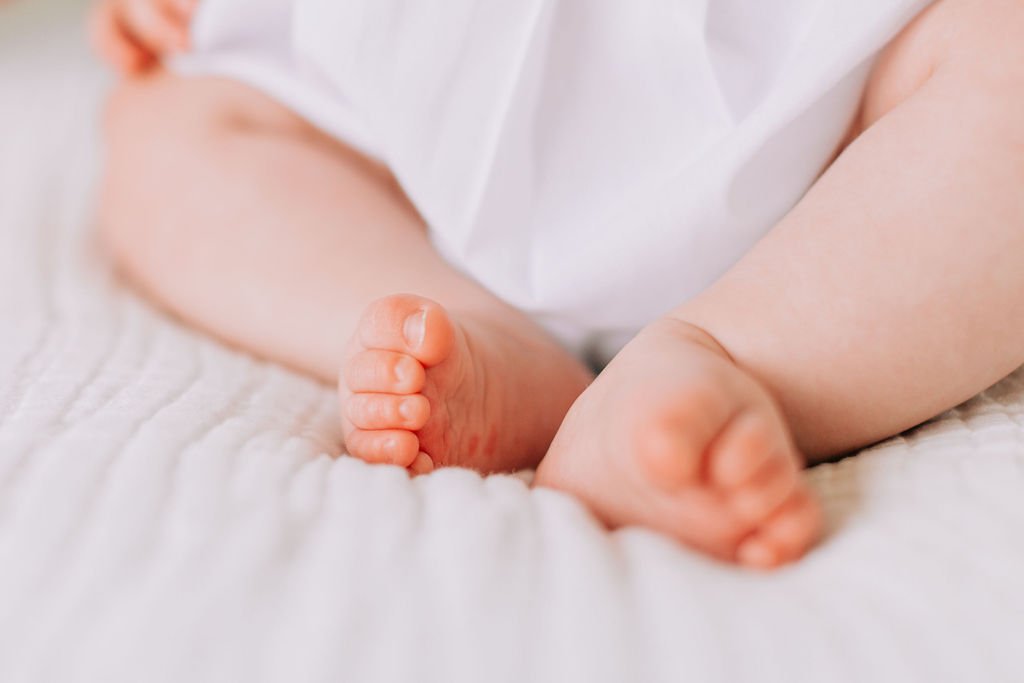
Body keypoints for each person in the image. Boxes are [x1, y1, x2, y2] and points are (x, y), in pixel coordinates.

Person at [91, 0, 1024, 568]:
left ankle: (730, 354)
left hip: (827, 107)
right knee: (165, 128)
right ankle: (474, 332)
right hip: (430, 92)